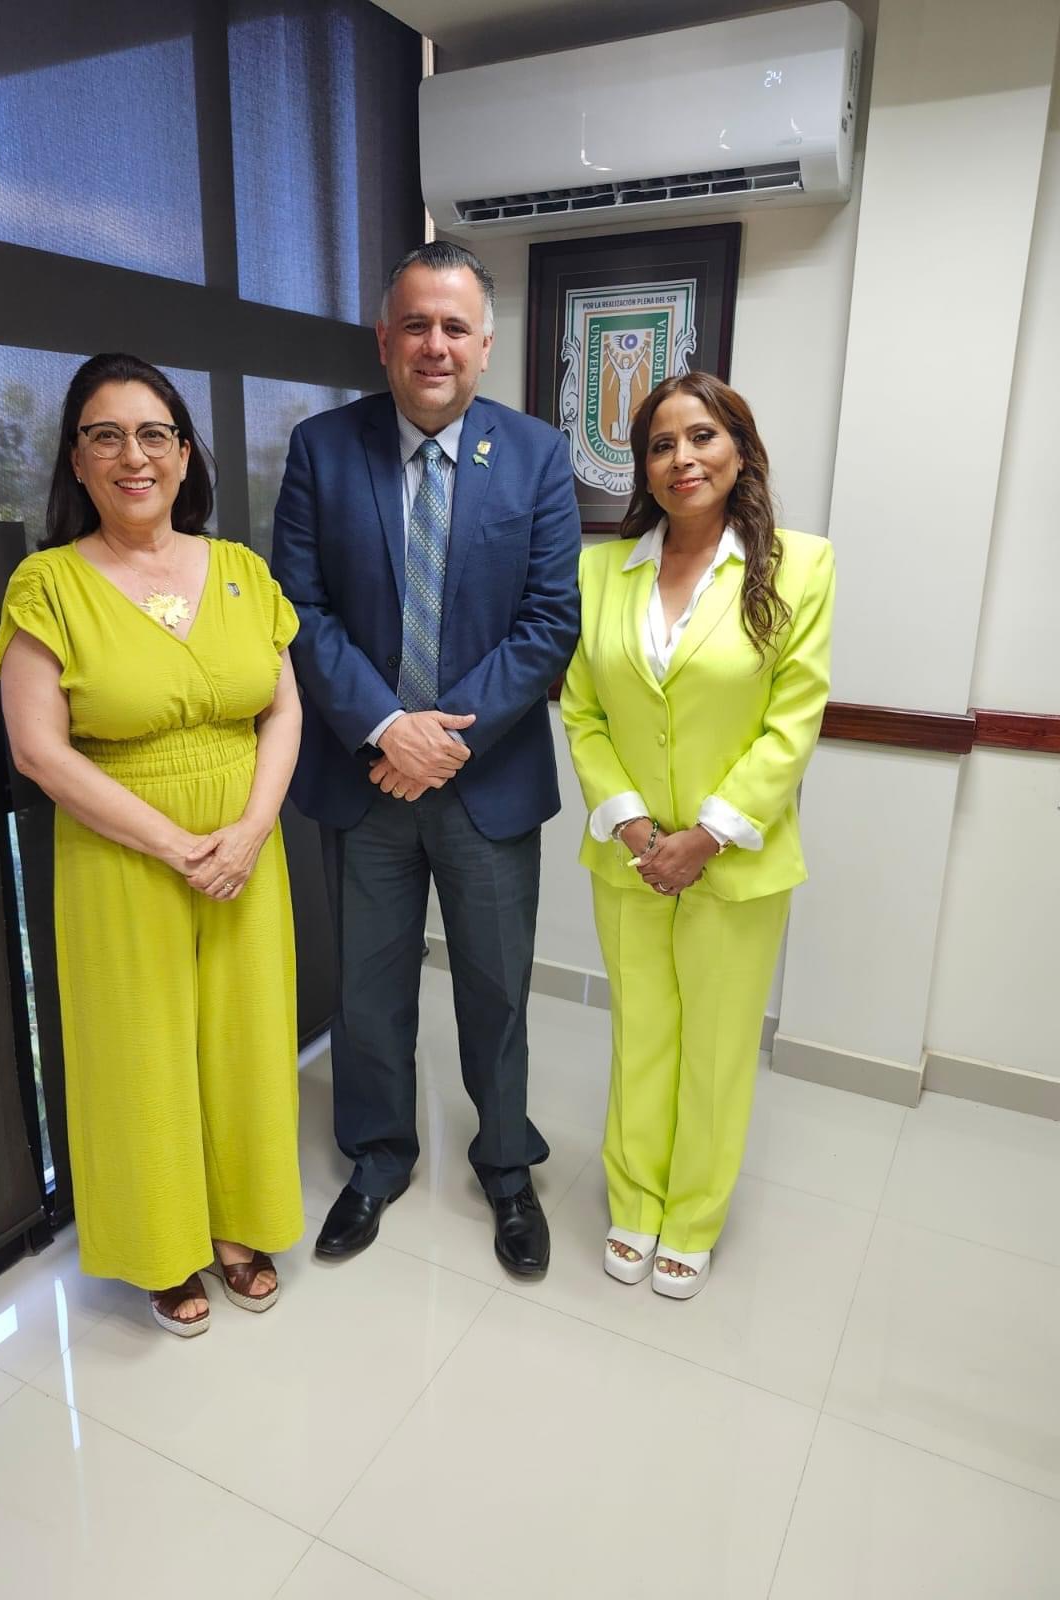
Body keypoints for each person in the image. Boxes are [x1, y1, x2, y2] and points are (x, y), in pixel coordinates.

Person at [272, 241, 581, 1276]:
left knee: (496, 990)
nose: (434, 344)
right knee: (368, 991)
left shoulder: (537, 455)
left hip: (485, 784)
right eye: (416, 324)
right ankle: (378, 1156)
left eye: (455, 326)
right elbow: (300, 608)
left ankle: (506, 1165)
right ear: (384, 339)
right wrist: (383, 726)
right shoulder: (322, 449)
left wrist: (441, 741)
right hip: (364, 781)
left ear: (486, 344)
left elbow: (549, 621)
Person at [0, 353, 304, 1336]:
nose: (134, 456)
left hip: (247, 843)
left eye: (154, 434)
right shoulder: (47, 584)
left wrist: (249, 830)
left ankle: (239, 1225)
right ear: (77, 460)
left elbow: (284, 709)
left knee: (246, 1036)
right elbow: (38, 751)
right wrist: (178, 845)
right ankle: (163, 1248)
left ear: (184, 454)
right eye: (107, 435)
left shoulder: (243, 570)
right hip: (120, 849)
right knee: (140, 1049)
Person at [560, 371, 834, 1298]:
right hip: (630, 857)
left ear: (741, 451)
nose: (683, 458)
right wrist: (639, 829)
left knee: (715, 1047)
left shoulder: (799, 567)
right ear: (642, 467)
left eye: (703, 436)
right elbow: (584, 712)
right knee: (641, 1033)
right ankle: (635, 1199)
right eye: (661, 444)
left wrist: (706, 837)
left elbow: (792, 723)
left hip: (736, 861)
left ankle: (692, 1216)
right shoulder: (601, 571)